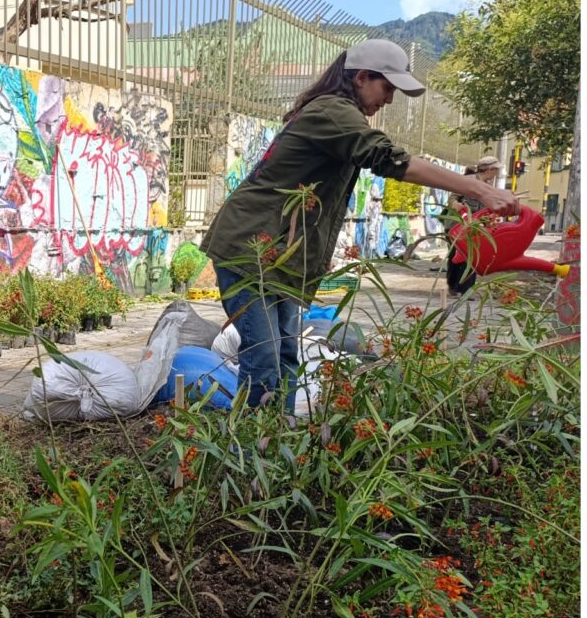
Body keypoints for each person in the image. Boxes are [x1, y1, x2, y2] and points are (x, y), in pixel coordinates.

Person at [198, 40, 516, 410]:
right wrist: (478, 187)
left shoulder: (337, 115)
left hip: (278, 253)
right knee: (264, 356)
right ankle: (249, 456)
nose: (390, 100)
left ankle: (274, 447)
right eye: (387, 87)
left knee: (285, 354)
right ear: (362, 77)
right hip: (248, 247)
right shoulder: (332, 112)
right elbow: (386, 159)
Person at [443, 158, 502, 296]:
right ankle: (453, 286)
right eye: (496, 170)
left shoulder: (488, 186)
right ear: (489, 169)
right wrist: (456, 205)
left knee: (472, 256)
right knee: (455, 256)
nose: (497, 173)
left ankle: (466, 290)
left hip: (474, 227)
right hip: (456, 225)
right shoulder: (468, 180)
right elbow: (452, 197)